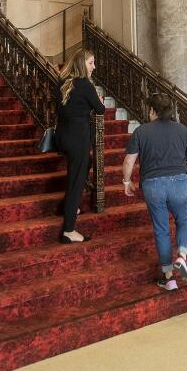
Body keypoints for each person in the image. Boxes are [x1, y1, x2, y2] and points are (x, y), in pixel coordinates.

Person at [123, 93, 187, 291]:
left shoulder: (141, 132)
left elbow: (128, 161)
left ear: (152, 110)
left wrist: (127, 182)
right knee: (183, 220)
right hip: (178, 181)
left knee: (161, 229)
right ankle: (182, 256)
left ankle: (169, 278)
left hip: (152, 185)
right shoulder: (182, 130)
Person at [56, 48, 104, 244]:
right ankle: (69, 230)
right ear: (82, 65)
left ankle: (69, 205)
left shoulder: (63, 83)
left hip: (63, 136)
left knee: (86, 164)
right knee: (76, 181)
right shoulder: (85, 84)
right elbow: (100, 109)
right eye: (91, 63)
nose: (94, 66)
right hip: (78, 138)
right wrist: (99, 101)